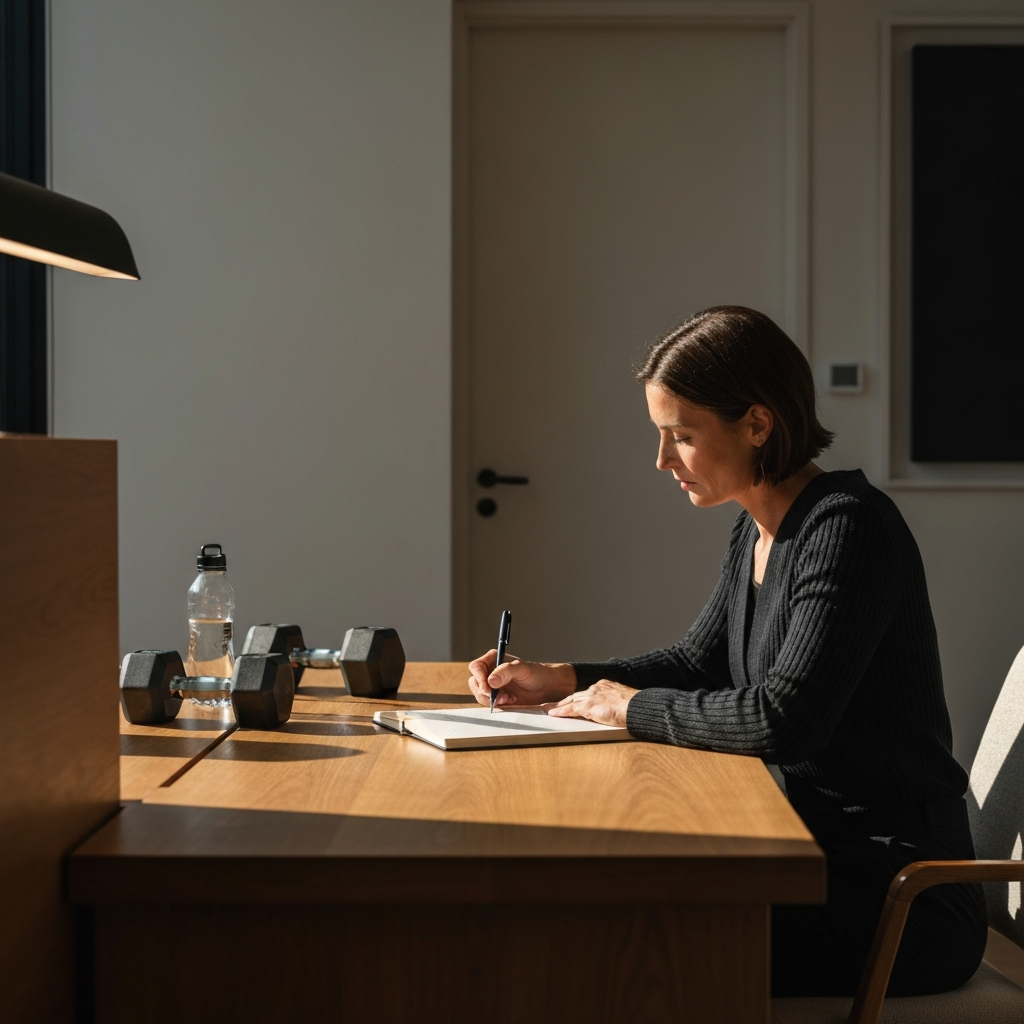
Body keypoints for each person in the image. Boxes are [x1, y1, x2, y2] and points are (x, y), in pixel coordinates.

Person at [467, 305, 987, 997]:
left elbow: (783, 720)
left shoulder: (849, 529)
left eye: (680, 435)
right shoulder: (758, 530)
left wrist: (631, 709)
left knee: (622, 941)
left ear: (757, 423)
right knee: (604, 921)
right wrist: (563, 679)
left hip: (895, 896)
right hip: (808, 853)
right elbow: (697, 663)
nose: (662, 460)